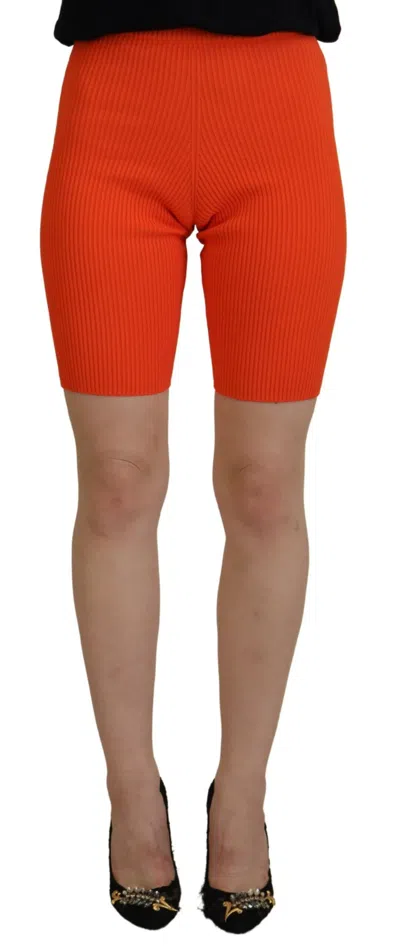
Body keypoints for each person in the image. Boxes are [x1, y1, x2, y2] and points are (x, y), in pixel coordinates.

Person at [40, 0, 346, 933]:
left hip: (276, 105)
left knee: (265, 485)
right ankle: (131, 791)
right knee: (118, 479)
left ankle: (242, 792)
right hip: (115, 102)